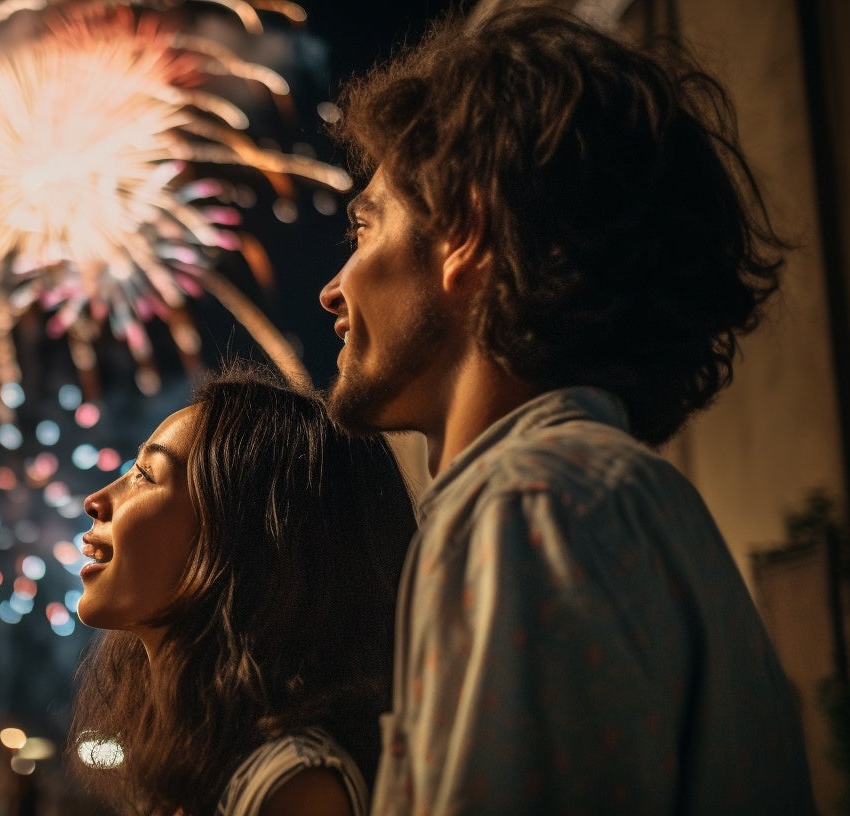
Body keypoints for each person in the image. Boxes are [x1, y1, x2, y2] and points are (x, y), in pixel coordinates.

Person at [318, 5, 814, 814]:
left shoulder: (527, 506)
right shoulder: (615, 499)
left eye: (366, 227)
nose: (334, 288)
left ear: (467, 233)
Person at [68, 364, 418, 816]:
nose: (95, 500)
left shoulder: (293, 788)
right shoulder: (204, 763)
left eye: (145, 474)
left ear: (239, 538)